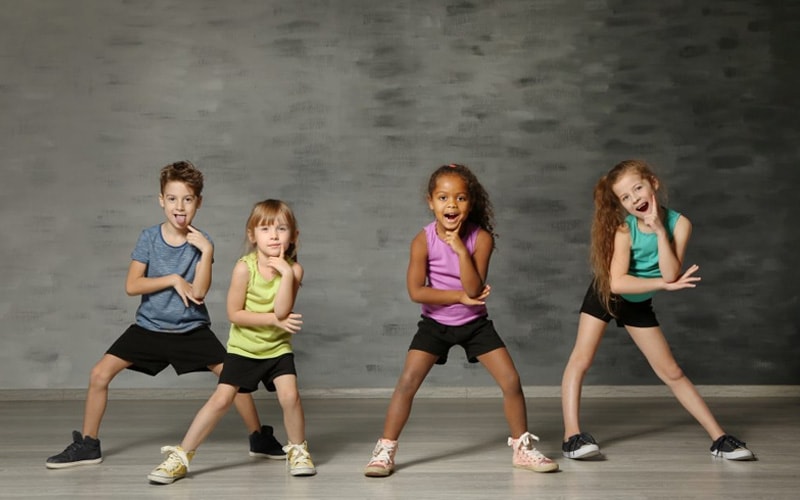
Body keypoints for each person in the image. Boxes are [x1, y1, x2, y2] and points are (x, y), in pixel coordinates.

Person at [46, 161, 284, 469]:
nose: (179, 206)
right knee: (98, 375)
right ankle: (89, 445)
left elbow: (198, 293)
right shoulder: (148, 238)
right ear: (161, 200)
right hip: (149, 329)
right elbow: (132, 285)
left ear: (198, 202)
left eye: (187, 199)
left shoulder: (202, 243)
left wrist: (208, 251)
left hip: (190, 330)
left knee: (233, 379)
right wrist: (172, 278)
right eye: (172, 198)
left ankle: (259, 437)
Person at [364, 164, 559, 477]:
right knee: (407, 382)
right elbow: (416, 291)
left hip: (474, 324)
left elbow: (473, 288)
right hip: (434, 325)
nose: (451, 205)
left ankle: (522, 450)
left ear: (471, 203)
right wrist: (457, 297)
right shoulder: (422, 240)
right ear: (431, 202)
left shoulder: (481, 239)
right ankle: (384, 451)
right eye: (443, 197)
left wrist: (459, 250)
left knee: (511, 380)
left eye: (460, 198)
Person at [560, 159, 754, 461]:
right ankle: (571, 437)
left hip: (639, 303)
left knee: (672, 372)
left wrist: (660, 232)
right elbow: (619, 283)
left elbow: (669, 273)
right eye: (625, 197)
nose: (635, 198)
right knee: (581, 359)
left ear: (653, 183)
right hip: (607, 294)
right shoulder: (625, 230)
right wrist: (663, 286)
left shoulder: (681, 224)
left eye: (638, 188)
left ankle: (719, 439)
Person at [148, 199, 314, 484]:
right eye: (265, 229)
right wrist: (274, 321)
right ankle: (181, 456)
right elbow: (235, 314)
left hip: (276, 348)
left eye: (281, 229)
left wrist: (287, 274)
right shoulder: (244, 268)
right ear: (252, 235)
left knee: (290, 396)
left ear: (294, 236)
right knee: (222, 399)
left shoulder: (294, 270)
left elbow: (283, 310)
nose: (273, 236)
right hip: (244, 349)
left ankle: (298, 450)